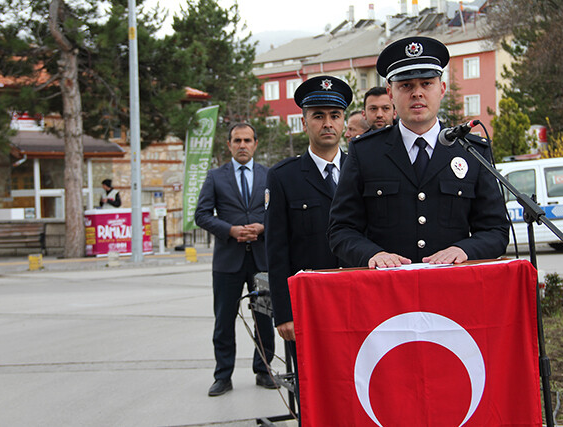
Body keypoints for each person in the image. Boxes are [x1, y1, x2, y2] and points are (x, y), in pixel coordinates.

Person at [328, 36, 509, 269]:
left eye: (426, 84)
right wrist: (373, 254)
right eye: (406, 85)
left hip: (452, 284)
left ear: (442, 89)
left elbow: (496, 230)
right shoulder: (365, 152)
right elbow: (341, 229)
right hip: (387, 284)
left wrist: (464, 250)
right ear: (391, 93)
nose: (417, 93)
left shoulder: (471, 151)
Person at [265, 75, 352, 418]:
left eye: (334, 115)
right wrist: (284, 312)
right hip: (309, 305)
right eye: (318, 115)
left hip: (355, 297)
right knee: (313, 388)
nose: (327, 123)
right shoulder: (283, 176)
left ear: (343, 121)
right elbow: (276, 250)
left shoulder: (362, 170)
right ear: (304, 122)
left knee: (358, 381)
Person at [195, 123, 276, 397]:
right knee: (224, 321)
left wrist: (262, 226)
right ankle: (222, 376)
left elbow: (278, 211)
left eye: (247, 140)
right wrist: (229, 230)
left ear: (255, 144)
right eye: (237, 140)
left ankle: (264, 370)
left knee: (264, 319)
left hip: (262, 260)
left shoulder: (269, 175)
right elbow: (202, 215)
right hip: (227, 261)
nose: (242, 145)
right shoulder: (215, 177)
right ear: (229, 144)